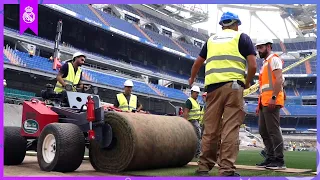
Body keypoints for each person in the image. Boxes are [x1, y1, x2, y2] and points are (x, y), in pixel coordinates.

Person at [189, 11, 257, 176]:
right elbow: (253, 66)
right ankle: (226, 169)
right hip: (233, 87)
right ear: (236, 24)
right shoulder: (242, 37)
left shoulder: (211, 40)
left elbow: (197, 63)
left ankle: (203, 166)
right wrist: (246, 83)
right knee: (230, 128)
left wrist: (192, 79)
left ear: (221, 25)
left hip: (212, 89)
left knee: (210, 129)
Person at [255, 38, 286, 170]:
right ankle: (271, 157)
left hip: (271, 101)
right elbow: (264, 87)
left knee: (273, 131)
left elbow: (279, 79)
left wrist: (274, 97)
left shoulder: (274, 59)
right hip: (264, 102)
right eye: (257, 48)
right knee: (263, 130)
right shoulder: (265, 63)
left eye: (261, 47)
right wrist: (259, 104)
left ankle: (279, 160)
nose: (258, 51)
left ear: (268, 47)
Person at [183, 85, 202, 158]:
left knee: (196, 137)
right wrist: (185, 123)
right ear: (192, 92)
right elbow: (186, 112)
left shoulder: (196, 102)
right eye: (196, 93)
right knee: (198, 136)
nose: (197, 94)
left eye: (198, 93)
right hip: (192, 121)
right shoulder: (189, 101)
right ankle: (198, 153)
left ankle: (195, 152)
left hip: (196, 121)